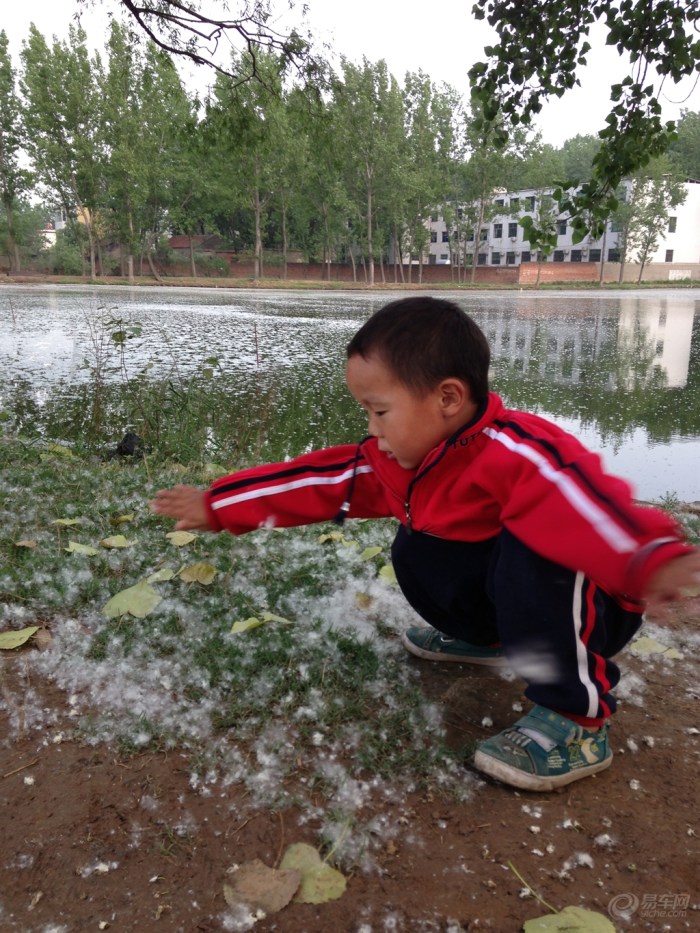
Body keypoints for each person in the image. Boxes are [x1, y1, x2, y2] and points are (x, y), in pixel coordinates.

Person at [151, 296, 700, 792]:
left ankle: (577, 720)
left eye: (380, 411)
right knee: (415, 546)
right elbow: (313, 482)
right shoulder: (392, 461)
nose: (372, 428)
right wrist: (217, 504)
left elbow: (589, 505)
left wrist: (648, 559)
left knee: (537, 545)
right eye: (366, 412)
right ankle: (491, 639)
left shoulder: (518, 452)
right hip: (514, 609)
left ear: (448, 398)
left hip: (591, 612)